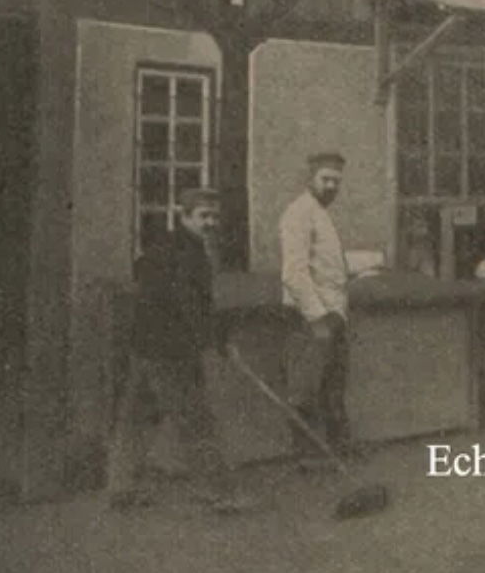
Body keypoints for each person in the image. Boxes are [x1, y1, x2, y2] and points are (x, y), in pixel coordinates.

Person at [106, 188, 250, 513]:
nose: (211, 222)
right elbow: (191, 304)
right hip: (169, 349)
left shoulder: (165, 244)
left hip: (145, 343)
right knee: (196, 419)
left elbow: (141, 270)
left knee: (136, 418)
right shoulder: (191, 253)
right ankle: (220, 492)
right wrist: (220, 342)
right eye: (203, 216)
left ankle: (122, 489)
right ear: (185, 217)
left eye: (214, 216)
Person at [279, 152, 351, 455]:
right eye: (326, 179)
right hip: (311, 317)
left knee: (332, 387)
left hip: (333, 314)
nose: (332, 186)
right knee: (306, 389)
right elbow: (294, 274)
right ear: (311, 179)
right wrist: (317, 318)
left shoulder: (320, 213)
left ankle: (337, 449)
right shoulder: (298, 214)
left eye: (336, 181)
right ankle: (307, 456)